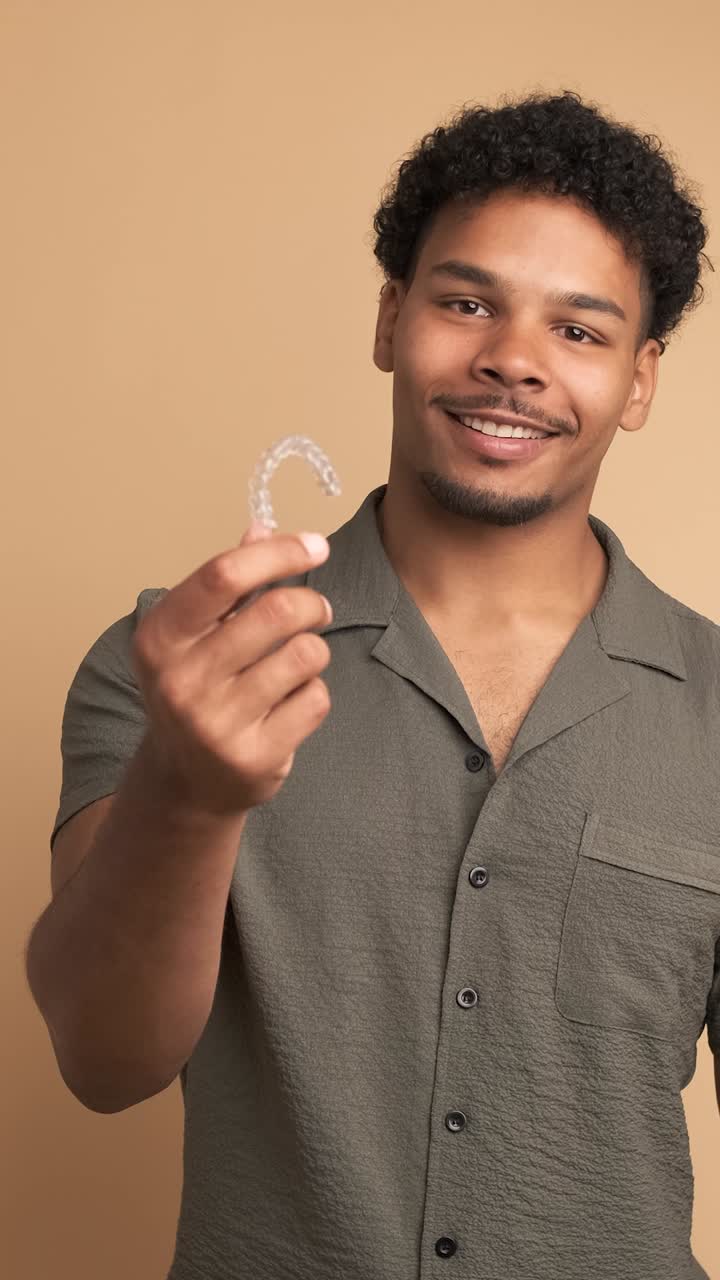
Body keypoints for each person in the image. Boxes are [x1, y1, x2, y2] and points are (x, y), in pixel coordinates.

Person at [26, 88, 719, 1279]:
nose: (511, 359)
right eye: (467, 303)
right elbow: (101, 1056)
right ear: (393, 317)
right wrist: (186, 796)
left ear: (641, 380)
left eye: (580, 330)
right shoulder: (177, 663)